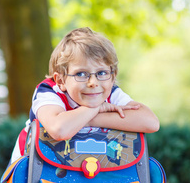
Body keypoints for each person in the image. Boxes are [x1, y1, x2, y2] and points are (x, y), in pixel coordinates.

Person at [11, 27, 159, 161]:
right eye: (81, 74)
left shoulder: (109, 91)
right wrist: (95, 108)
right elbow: (60, 129)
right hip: (36, 169)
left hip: (88, 171)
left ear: (113, 77)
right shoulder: (49, 92)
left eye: (101, 72)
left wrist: (89, 119)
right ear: (61, 80)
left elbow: (150, 122)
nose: (93, 82)